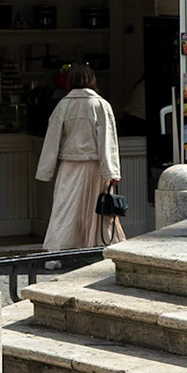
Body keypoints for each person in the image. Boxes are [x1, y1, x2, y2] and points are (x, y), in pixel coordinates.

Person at [35, 64, 122, 251]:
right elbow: (107, 141)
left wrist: (45, 170)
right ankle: (99, 246)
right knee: (97, 211)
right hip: (94, 167)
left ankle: (54, 251)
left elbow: (52, 140)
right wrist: (112, 171)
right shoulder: (100, 105)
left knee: (64, 210)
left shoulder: (63, 105)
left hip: (69, 165)